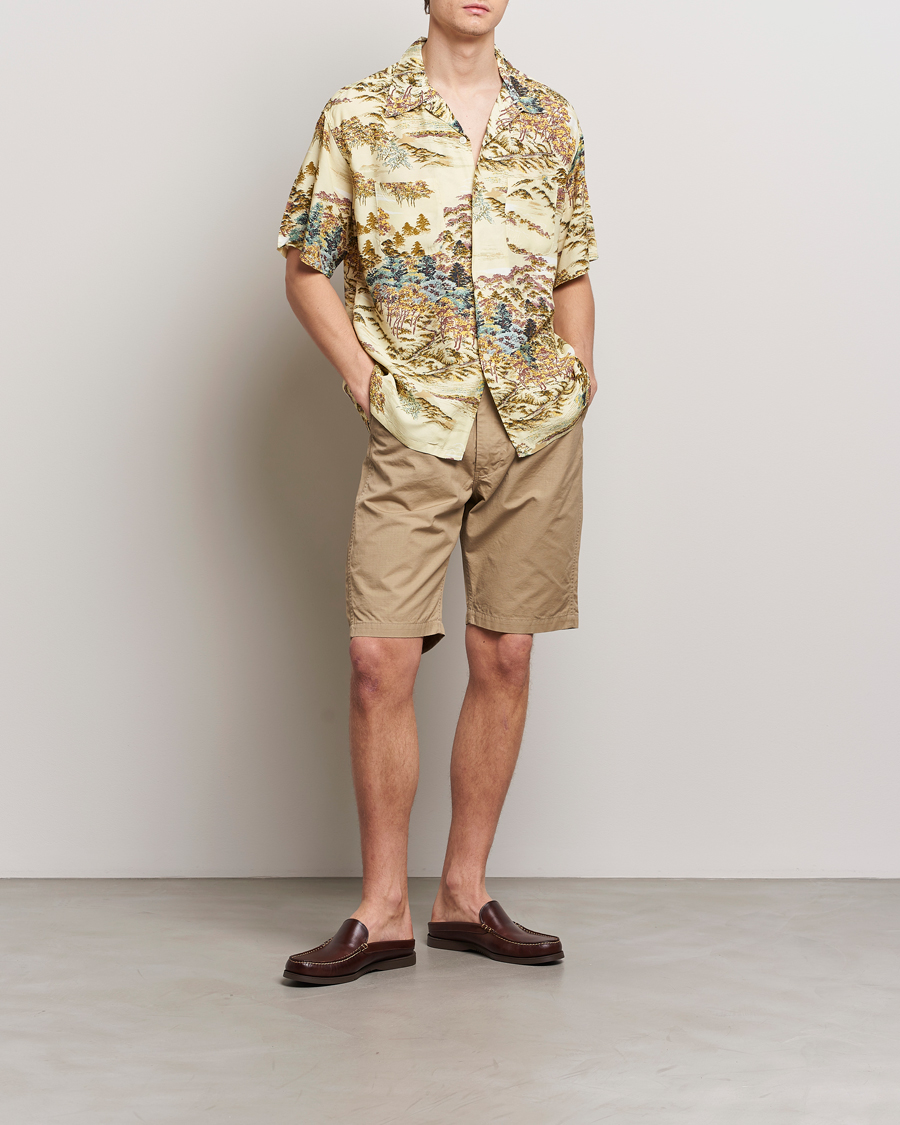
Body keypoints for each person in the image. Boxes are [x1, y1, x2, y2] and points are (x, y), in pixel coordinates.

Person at [279, 0, 598, 986]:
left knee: (505, 652)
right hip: (414, 419)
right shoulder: (360, 112)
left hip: (533, 423)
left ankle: (463, 895)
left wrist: (581, 375)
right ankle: (381, 911)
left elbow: (573, 269)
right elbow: (306, 265)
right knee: (379, 659)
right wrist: (362, 379)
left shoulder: (551, 116)